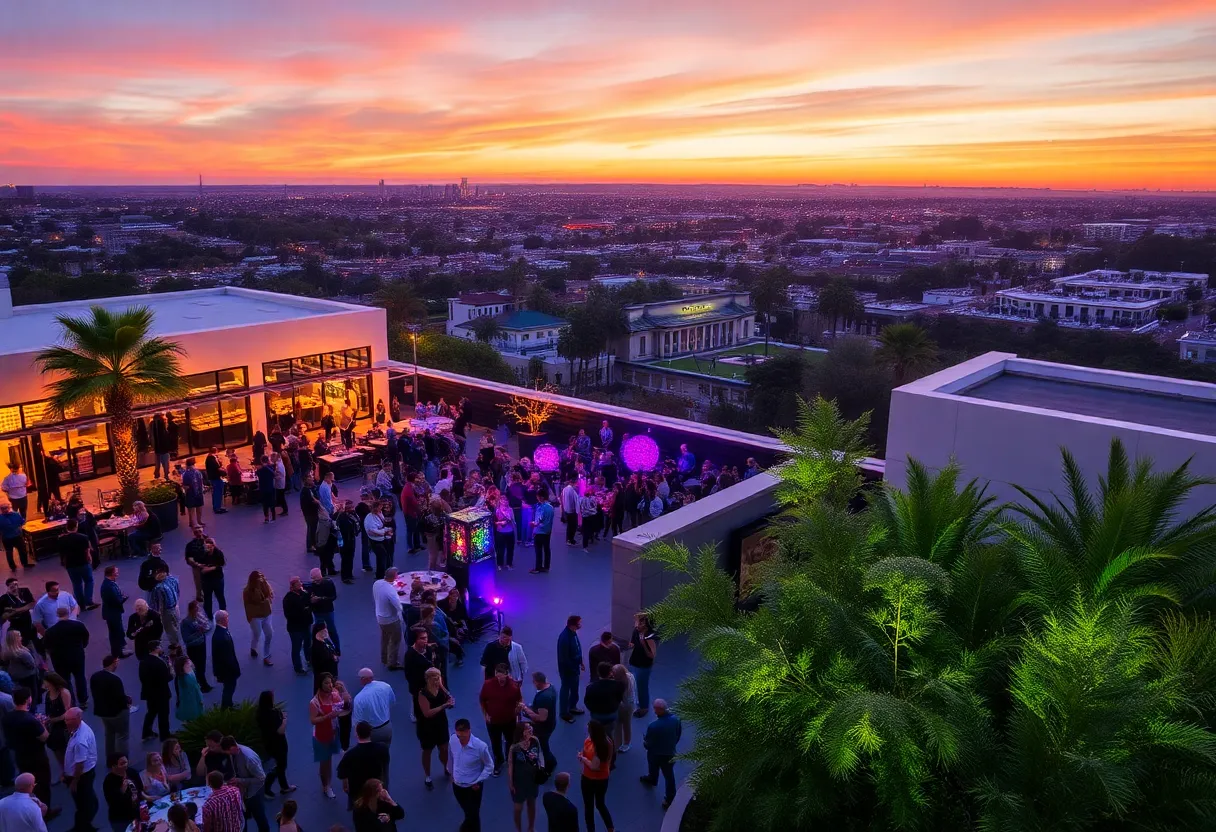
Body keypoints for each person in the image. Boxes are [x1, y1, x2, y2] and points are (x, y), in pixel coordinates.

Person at [4, 689, 55, 814]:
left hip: (20, 756)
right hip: (37, 757)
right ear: (28, 699)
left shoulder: (7, 718)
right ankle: (45, 811)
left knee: (28, 785)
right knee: (43, 784)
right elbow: (45, 737)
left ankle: (31, 808)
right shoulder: (30, 720)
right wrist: (43, 724)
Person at [447, 718, 493, 832]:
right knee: (468, 812)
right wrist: (451, 774)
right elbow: (451, 757)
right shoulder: (453, 740)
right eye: (458, 736)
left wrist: (479, 780)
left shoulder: (480, 746)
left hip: (473, 788)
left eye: (463, 736)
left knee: (474, 815)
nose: (460, 739)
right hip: (457, 786)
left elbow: (489, 766)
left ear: (469, 731)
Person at [308, 673, 347, 799]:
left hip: (334, 732)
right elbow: (313, 720)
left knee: (330, 758)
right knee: (325, 762)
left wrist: (343, 692)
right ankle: (326, 786)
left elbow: (344, 707)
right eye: (326, 683)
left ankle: (327, 783)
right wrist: (327, 717)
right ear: (320, 684)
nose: (330, 685)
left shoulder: (335, 694)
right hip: (321, 735)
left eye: (330, 682)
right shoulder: (314, 702)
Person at [336, 721, 389, 812]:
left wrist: (345, 785)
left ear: (357, 734)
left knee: (359, 812)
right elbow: (385, 765)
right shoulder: (382, 748)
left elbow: (341, 774)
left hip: (357, 791)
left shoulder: (350, 754)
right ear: (370, 732)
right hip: (375, 788)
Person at [479, 663, 521, 775]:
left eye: (502, 676)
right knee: (495, 742)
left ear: (507, 674)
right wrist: (485, 714)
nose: (499, 679)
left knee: (510, 740)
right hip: (493, 721)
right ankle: (499, 760)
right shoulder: (488, 684)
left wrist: (518, 710)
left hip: (509, 720)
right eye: (497, 676)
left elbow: (519, 700)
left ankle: (509, 758)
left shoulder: (514, 686)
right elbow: (482, 700)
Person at [639, 698, 682, 808]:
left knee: (653, 766)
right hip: (670, 753)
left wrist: (645, 743)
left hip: (655, 754)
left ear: (659, 709)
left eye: (655, 709)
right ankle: (669, 798)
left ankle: (652, 778)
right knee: (669, 775)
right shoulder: (676, 720)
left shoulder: (653, 726)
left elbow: (648, 744)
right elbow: (678, 735)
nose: (654, 711)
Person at [44, 607, 90, 707]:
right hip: (77, 656)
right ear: (68, 614)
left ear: (57, 615)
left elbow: (47, 647)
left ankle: (71, 702)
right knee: (80, 677)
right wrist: (81, 647)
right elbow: (86, 638)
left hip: (59, 660)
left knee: (65, 680)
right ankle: (83, 700)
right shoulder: (78, 625)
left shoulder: (50, 631)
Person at [416, 667, 453, 790]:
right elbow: (427, 713)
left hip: (441, 723)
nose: (437, 681)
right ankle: (428, 775)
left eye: (438, 678)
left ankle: (445, 767)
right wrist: (444, 706)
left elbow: (449, 698)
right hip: (427, 726)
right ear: (427, 679)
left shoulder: (441, 689)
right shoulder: (423, 693)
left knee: (444, 748)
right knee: (427, 751)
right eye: (434, 678)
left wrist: (449, 701)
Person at [222, 735, 269, 832]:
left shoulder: (249, 758)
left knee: (259, 816)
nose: (228, 754)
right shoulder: (234, 753)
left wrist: (240, 780)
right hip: (244, 791)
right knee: (243, 817)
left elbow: (261, 778)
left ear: (232, 747)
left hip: (255, 792)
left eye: (228, 752)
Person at [64, 707, 99, 832]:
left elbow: (79, 764)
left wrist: (74, 781)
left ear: (78, 718)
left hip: (81, 776)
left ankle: (81, 828)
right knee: (89, 799)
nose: (66, 722)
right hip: (86, 773)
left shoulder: (80, 740)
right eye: (66, 719)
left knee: (83, 804)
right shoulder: (80, 727)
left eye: (70, 720)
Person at [90, 655, 131, 760]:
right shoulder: (115, 679)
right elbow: (120, 697)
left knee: (109, 734)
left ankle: (110, 759)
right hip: (117, 712)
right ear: (114, 663)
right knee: (122, 736)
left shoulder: (95, 677)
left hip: (103, 712)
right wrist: (127, 703)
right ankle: (122, 760)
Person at [255, 691, 296, 798]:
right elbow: (280, 731)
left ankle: (284, 786)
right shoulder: (274, 714)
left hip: (268, 742)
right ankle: (267, 787)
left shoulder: (260, 713)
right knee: (281, 765)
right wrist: (284, 719)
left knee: (278, 764)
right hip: (279, 743)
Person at [578, 720, 615, 832]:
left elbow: (594, 766)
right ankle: (610, 828)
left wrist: (583, 759)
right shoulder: (607, 742)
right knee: (600, 803)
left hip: (589, 779)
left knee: (588, 807)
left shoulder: (599, 747)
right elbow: (608, 760)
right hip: (603, 779)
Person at [520, 670, 557, 771]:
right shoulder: (551, 687)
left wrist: (526, 709)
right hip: (551, 723)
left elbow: (541, 718)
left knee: (543, 746)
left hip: (544, 728)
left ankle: (549, 765)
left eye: (534, 681)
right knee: (544, 745)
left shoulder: (543, 698)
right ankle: (551, 761)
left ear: (538, 682)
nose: (533, 683)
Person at [57, 519, 96, 610]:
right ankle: (88, 602)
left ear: (67, 527)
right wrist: (90, 559)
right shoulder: (83, 537)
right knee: (89, 581)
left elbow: (61, 553)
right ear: (76, 526)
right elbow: (87, 552)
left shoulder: (61, 539)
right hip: (83, 563)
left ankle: (80, 604)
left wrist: (64, 563)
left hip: (70, 565)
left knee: (76, 584)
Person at [352, 668, 395, 747]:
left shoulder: (359, 698)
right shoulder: (386, 686)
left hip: (372, 732)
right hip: (387, 727)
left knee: (372, 754)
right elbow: (392, 701)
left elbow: (358, 720)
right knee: (385, 752)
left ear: (363, 679)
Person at [139, 641, 173, 742]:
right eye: (160, 646)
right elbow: (167, 677)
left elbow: (142, 678)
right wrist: (170, 669)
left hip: (149, 693)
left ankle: (146, 732)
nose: (162, 648)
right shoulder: (159, 663)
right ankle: (165, 735)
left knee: (151, 712)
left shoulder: (143, 661)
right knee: (163, 714)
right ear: (156, 648)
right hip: (161, 693)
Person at [402, 627, 436, 725]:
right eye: (422, 638)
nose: (425, 640)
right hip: (418, 687)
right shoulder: (410, 655)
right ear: (415, 640)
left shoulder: (428, 649)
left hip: (429, 684)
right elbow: (408, 674)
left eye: (426, 637)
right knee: (416, 703)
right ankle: (415, 715)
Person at [628, 612, 658, 717]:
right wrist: (632, 644)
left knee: (642, 687)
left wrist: (643, 644)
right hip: (635, 661)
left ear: (646, 625)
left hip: (644, 665)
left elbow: (652, 655)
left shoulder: (649, 637)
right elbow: (632, 643)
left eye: (640, 623)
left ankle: (644, 707)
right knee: (637, 684)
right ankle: (640, 702)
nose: (637, 625)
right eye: (637, 622)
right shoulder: (636, 631)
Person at [372, 568, 403, 670]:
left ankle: (384, 658)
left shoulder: (377, 583)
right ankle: (392, 663)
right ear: (395, 576)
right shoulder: (390, 591)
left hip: (379, 617)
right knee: (395, 640)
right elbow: (399, 606)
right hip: (391, 619)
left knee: (384, 638)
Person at [242, 571, 274, 666]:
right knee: (257, 634)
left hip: (266, 614)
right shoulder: (247, 591)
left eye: (262, 577)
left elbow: (270, 595)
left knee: (269, 634)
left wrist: (268, 599)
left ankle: (266, 656)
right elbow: (249, 606)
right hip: (256, 617)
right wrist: (250, 617)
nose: (261, 579)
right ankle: (253, 648)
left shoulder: (265, 585)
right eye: (259, 578)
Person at [556, 615, 585, 723]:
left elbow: (577, 648)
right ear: (573, 625)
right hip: (568, 670)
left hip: (575, 667)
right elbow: (564, 658)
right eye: (579, 623)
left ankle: (572, 706)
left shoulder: (573, 633)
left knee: (574, 688)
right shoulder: (564, 638)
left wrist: (580, 662)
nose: (580, 625)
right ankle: (563, 713)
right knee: (565, 689)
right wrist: (572, 669)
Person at [305, 568, 341, 653]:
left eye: (317, 580)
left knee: (332, 630)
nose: (315, 582)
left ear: (320, 577)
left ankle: (337, 648)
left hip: (327, 610)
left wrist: (320, 599)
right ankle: (322, 649)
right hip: (317, 611)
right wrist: (311, 600)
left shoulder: (328, 583)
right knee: (319, 631)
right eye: (313, 580)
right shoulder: (311, 586)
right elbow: (307, 598)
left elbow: (333, 597)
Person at [103, 753, 141, 832]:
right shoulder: (109, 781)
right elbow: (112, 802)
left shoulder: (132, 772)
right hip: (121, 819)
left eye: (126, 762)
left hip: (136, 813)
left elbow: (140, 788)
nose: (125, 765)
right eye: (122, 763)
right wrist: (122, 790)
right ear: (113, 766)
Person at [181, 600, 214, 692]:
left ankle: (202, 683)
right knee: (197, 666)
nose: (198, 611)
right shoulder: (185, 623)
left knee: (202, 665)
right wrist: (199, 632)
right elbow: (186, 638)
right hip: (193, 648)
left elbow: (209, 626)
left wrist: (205, 627)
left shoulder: (198, 618)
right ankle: (201, 685)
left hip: (201, 645)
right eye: (196, 609)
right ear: (191, 610)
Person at [282, 578, 313, 677]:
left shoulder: (304, 594)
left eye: (300, 582)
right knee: (296, 647)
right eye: (298, 583)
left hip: (306, 624)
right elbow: (289, 614)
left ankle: (309, 659)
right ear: (293, 586)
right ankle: (298, 667)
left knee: (308, 643)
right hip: (295, 628)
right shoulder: (288, 598)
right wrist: (304, 611)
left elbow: (310, 604)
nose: (300, 584)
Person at [211, 610, 241, 709]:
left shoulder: (221, 631)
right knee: (229, 688)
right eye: (227, 618)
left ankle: (229, 704)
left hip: (225, 669)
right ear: (222, 620)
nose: (228, 620)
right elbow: (226, 658)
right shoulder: (222, 637)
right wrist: (234, 669)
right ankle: (226, 707)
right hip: (228, 670)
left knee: (228, 688)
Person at [584, 662, 624, 733]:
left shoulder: (590, 687)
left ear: (598, 673)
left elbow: (587, 702)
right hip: (611, 714)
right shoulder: (618, 685)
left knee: (597, 733)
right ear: (610, 673)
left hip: (596, 715)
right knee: (610, 732)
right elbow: (620, 699)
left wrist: (594, 710)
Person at [99, 566, 129, 659]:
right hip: (113, 613)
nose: (117, 573)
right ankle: (118, 653)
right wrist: (123, 598)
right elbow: (117, 600)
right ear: (112, 573)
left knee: (115, 632)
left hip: (111, 612)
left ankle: (118, 650)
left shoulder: (108, 583)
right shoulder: (109, 586)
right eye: (116, 571)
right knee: (116, 633)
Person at [149, 567, 182, 650]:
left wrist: (158, 613)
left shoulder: (159, 588)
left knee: (169, 627)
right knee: (175, 624)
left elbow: (160, 603)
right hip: (175, 605)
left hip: (166, 610)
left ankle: (175, 644)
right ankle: (177, 640)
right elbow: (178, 591)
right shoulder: (172, 580)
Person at [196, 536, 227, 618]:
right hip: (206, 580)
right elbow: (199, 564)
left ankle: (223, 614)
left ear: (213, 546)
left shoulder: (218, 553)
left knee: (220, 596)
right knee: (207, 598)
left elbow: (221, 564)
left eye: (210, 547)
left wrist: (210, 568)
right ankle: (209, 615)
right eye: (207, 547)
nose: (208, 549)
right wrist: (201, 566)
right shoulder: (202, 554)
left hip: (217, 579)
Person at [528, 487, 554, 574]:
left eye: (538, 496)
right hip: (548, 531)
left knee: (538, 550)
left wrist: (534, 524)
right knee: (547, 549)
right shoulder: (551, 507)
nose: (537, 498)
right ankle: (546, 567)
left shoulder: (541, 507)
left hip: (539, 531)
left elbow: (539, 519)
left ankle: (538, 568)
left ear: (541, 497)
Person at [611, 664, 636, 752]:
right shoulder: (630, 676)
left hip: (623, 705)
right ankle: (626, 743)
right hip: (630, 704)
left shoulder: (620, 684)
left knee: (618, 724)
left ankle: (619, 743)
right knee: (627, 724)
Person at [309, 622, 339, 693]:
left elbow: (332, 650)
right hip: (324, 676)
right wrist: (333, 658)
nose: (325, 632)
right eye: (322, 631)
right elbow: (321, 662)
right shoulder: (316, 647)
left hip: (331, 673)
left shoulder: (325, 641)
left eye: (325, 629)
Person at [174, 655, 205, 722]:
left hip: (188, 700)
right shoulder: (186, 678)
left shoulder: (186, 674)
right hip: (192, 700)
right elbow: (195, 689)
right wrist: (200, 699)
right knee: (195, 716)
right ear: (184, 665)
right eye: (188, 661)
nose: (190, 662)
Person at [0, 501, 29, 573]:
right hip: (17, 536)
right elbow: (22, 522)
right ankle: (25, 564)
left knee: (9, 552)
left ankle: (13, 567)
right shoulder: (16, 515)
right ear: (10, 507)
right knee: (22, 550)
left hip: (6, 538)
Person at [300, 475, 321, 554]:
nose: (313, 481)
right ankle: (310, 546)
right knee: (311, 529)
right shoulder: (305, 492)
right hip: (309, 514)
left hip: (313, 512)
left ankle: (314, 543)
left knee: (314, 528)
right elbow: (309, 503)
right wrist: (316, 502)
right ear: (307, 482)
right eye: (312, 480)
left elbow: (317, 498)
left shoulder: (312, 489)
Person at [255, 456, 277, 523]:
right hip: (270, 487)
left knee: (265, 504)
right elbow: (274, 475)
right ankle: (273, 517)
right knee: (272, 503)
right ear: (267, 460)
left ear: (261, 461)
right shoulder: (271, 468)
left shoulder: (260, 470)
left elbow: (257, 474)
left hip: (263, 488)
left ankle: (266, 518)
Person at [560, 480, 579, 545]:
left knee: (571, 526)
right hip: (571, 511)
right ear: (573, 483)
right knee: (572, 526)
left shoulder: (565, 489)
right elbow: (573, 501)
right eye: (576, 484)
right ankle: (569, 539)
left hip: (568, 510)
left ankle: (571, 539)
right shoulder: (571, 490)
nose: (576, 486)